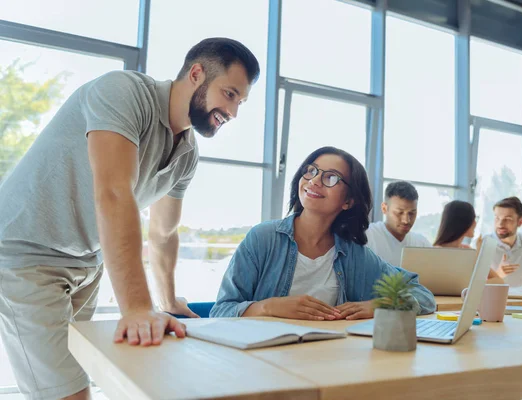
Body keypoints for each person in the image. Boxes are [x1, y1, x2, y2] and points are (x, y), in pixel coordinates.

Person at [0, 38, 260, 400]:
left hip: (87, 264)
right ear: (197, 74)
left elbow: (164, 232)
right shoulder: (123, 92)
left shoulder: (187, 152)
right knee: (63, 394)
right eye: (229, 94)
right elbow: (113, 193)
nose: (232, 112)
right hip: (27, 256)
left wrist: (166, 301)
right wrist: (137, 308)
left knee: (81, 378)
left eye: (240, 102)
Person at [210, 147, 435, 320]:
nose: (315, 180)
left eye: (331, 177)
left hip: (327, 361)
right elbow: (221, 311)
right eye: (311, 171)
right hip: (263, 365)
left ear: (348, 201)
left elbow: (423, 296)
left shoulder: (354, 254)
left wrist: (381, 305)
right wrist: (267, 307)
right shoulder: (263, 238)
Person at [365, 180, 430, 267]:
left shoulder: (422, 243)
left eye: (412, 213)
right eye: (399, 213)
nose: (406, 220)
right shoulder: (367, 236)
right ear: (384, 208)